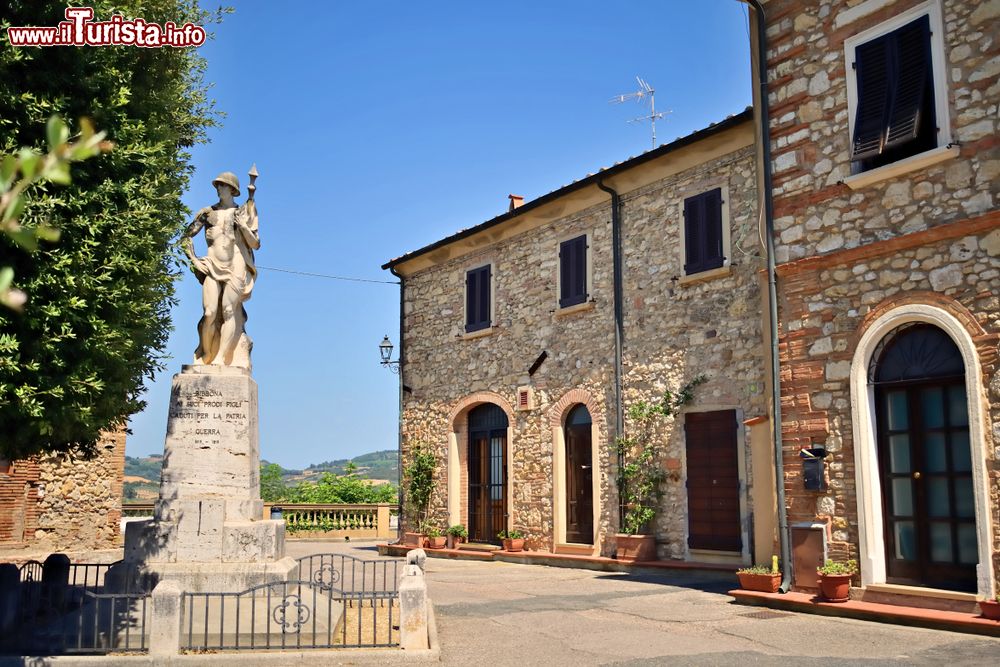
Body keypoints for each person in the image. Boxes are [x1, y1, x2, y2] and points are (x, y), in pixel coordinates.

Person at [182, 171, 260, 366]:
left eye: (223, 185)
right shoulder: (207, 213)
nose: (219, 188)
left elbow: (255, 243)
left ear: (233, 190)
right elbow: (185, 236)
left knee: (228, 310)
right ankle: (206, 355)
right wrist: (193, 259)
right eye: (217, 185)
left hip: (236, 265)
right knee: (209, 313)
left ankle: (221, 358)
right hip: (211, 264)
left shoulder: (242, 212)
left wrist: (243, 226)